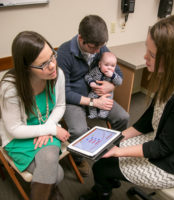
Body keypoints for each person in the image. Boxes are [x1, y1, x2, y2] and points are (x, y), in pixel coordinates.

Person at [79, 13, 174, 200]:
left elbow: (163, 148)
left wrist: (119, 150)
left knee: (102, 166)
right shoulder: (172, 76)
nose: (145, 57)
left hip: (169, 163)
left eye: (152, 55)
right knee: (108, 151)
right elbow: (148, 120)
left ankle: (102, 192)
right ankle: (110, 178)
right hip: (158, 139)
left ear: (173, 58)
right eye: (147, 49)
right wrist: (116, 137)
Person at [0, 31, 70, 200]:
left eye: (52, 56)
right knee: (57, 174)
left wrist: (49, 129)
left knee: (49, 160)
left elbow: (60, 106)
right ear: (26, 68)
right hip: (18, 137)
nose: (52, 65)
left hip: (46, 128)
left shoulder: (57, 74)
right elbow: (14, 128)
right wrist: (51, 129)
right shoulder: (10, 88)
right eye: (43, 64)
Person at [57, 15, 129, 177]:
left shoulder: (100, 47)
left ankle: (113, 149)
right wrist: (94, 103)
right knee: (78, 130)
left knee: (123, 117)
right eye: (92, 47)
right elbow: (65, 93)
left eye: (101, 46)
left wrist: (111, 85)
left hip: (97, 96)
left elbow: (118, 72)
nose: (98, 51)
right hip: (74, 100)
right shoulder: (64, 53)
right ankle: (78, 159)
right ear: (81, 38)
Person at [85, 52, 122, 119]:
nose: (109, 68)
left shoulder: (113, 74)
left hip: (107, 94)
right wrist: (91, 82)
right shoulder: (95, 70)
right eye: (106, 65)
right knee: (90, 99)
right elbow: (87, 76)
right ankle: (93, 113)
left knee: (107, 102)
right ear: (100, 64)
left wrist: (113, 76)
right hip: (95, 92)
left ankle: (103, 114)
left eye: (112, 66)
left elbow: (119, 82)